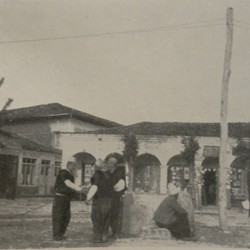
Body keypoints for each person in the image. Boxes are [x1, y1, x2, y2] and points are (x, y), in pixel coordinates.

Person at [52, 156, 83, 241]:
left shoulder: (70, 174)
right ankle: (57, 235)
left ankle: (61, 233)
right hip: (60, 198)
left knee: (66, 217)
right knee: (58, 217)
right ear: (69, 164)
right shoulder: (63, 173)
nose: (74, 167)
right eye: (73, 165)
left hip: (66, 198)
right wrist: (79, 189)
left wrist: (76, 192)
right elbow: (68, 184)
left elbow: (70, 187)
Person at [86, 159, 113, 243]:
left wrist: (88, 198)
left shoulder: (97, 174)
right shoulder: (108, 175)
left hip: (100, 200)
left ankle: (97, 237)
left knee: (97, 218)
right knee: (106, 219)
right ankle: (104, 236)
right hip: (109, 200)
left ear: (96, 167)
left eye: (94, 166)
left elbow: (95, 187)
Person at [107, 157, 126, 239]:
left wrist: (115, 188)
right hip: (108, 196)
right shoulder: (107, 172)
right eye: (108, 163)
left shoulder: (119, 172)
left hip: (116, 196)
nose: (108, 164)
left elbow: (122, 185)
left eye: (110, 163)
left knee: (116, 215)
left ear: (113, 164)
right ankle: (111, 232)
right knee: (109, 215)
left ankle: (116, 233)